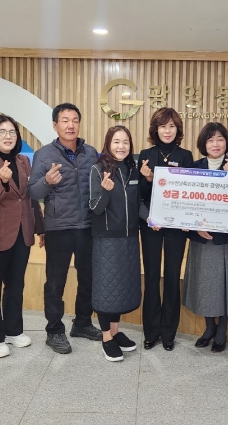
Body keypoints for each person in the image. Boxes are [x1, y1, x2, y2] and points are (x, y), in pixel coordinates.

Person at [28, 103, 101, 354]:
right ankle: (54, 330)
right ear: (55, 125)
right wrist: (47, 182)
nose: (70, 125)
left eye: (75, 120)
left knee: (88, 278)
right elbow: (32, 192)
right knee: (55, 281)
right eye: (65, 120)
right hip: (58, 227)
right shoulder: (44, 154)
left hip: (87, 226)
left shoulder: (91, 153)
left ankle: (82, 323)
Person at [0, 114, 44, 358]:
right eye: (2, 131)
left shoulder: (23, 161)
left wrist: (40, 227)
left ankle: (13, 331)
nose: (8, 136)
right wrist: (1, 182)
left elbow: (30, 197)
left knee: (15, 285)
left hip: (21, 233)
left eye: (12, 132)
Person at [182, 122, 228, 353]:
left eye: (220, 139)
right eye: (210, 140)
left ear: (226, 143)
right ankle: (209, 327)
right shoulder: (194, 167)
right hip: (201, 236)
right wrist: (195, 226)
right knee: (204, 283)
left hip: (224, 236)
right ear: (204, 144)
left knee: (225, 283)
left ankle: (223, 329)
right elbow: (187, 200)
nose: (215, 144)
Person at [89, 126, 149, 362]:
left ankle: (115, 331)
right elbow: (95, 208)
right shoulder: (97, 169)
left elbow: (138, 204)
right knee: (106, 290)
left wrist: (151, 219)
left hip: (129, 238)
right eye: (116, 141)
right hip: (107, 240)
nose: (121, 146)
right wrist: (105, 191)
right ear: (108, 144)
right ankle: (106, 337)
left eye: (125, 142)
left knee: (120, 288)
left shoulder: (132, 169)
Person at [138, 107, 194, 351]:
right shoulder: (145, 155)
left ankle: (169, 332)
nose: (167, 131)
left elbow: (189, 192)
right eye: (163, 126)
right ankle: (151, 332)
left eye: (171, 126)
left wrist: (187, 219)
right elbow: (140, 195)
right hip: (151, 224)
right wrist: (148, 180)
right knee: (151, 276)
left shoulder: (186, 156)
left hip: (176, 227)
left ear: (177, 129)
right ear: (156, 129)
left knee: (172, 276)